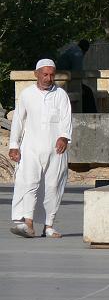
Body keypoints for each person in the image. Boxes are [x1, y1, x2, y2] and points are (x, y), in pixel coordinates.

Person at [8, 59, 72, 238]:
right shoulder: (27, 94)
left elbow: (66, 119)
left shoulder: (60, 94)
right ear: (36, 74)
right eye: (45, 74)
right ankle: (28, 223)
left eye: (52, 75)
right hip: (31, 146)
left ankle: (49, 226)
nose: (48, 78)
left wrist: (64, 137)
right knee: (30, 183)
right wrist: (14, 145)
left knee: (53, 186)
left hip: (55, 148)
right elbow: (18, 121)